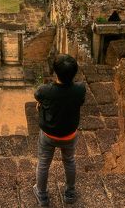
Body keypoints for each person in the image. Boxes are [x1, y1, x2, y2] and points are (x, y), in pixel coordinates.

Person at [33, 54, 86, 206]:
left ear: (55, 72)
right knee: (69, 161)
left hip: (49, 134)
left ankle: (42, 194)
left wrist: (41, 104)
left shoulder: (45, 90)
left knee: (43, 162)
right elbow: (79, 102)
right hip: (69, 134)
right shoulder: (80, 89)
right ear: (74, 73)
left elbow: (38, 96)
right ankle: (70, 193)